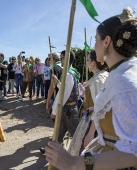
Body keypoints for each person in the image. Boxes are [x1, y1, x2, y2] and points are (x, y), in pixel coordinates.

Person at [45, 7, 137, 169]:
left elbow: (133, 151)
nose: (94, 46)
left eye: (96, 40)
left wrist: (74, 163)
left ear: (106, 42)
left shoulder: (124, 81)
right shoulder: (120, 73)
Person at [68, 50, 108, 156]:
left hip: (95, 124)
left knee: (87, 154)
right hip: (96, 121)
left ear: (94, 62)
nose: (86, 62)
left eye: (88, 60)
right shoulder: (102, 76)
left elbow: (100, 108)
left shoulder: (98, 80)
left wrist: (90, 133)